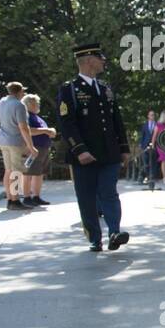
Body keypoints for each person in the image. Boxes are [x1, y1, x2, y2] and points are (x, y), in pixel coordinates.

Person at [57, 42, 130, 251]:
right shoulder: (69, 89)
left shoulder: (106, 88)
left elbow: (116, 119)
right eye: (100, 58)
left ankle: (114, 232)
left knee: (109, 192)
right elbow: (66, 123)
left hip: (108, 152)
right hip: (84, 155)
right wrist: (79, 150)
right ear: (89, 61)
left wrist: (123, 148)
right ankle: (94, 238)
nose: (104, 61)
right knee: (87, 198)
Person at [0, 81, 36, 211]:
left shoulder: (2, 101)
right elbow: (23, 127)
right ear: (19, 92)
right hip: (15, 142)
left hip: (4, 140)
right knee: (17, 172)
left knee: (8, 170)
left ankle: (9, 198)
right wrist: (31, 146)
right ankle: (15, 200)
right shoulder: (19, 105)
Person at [20, 94, 56, 206]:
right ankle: (26, 197)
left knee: (39, 173)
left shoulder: (37, 117)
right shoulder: (26, 116)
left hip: (43, 149)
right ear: (29, 104)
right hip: (33, 149)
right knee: (28, 173)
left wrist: (50, 132)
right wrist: (46, 130)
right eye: (36, 103)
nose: (38, 105)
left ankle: (36, 196)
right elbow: (29, 130)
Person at [138, 110, 157, 185]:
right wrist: (141, 144)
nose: (152, 116)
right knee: (146, 162)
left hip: (154, 145)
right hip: (145, 146)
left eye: (153, 115)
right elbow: (142, 135)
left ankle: (152, 177)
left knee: (153, 161)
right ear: (148, 116)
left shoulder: (156, 125)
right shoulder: (145, 125)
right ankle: (147, 176)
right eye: (151, 115)